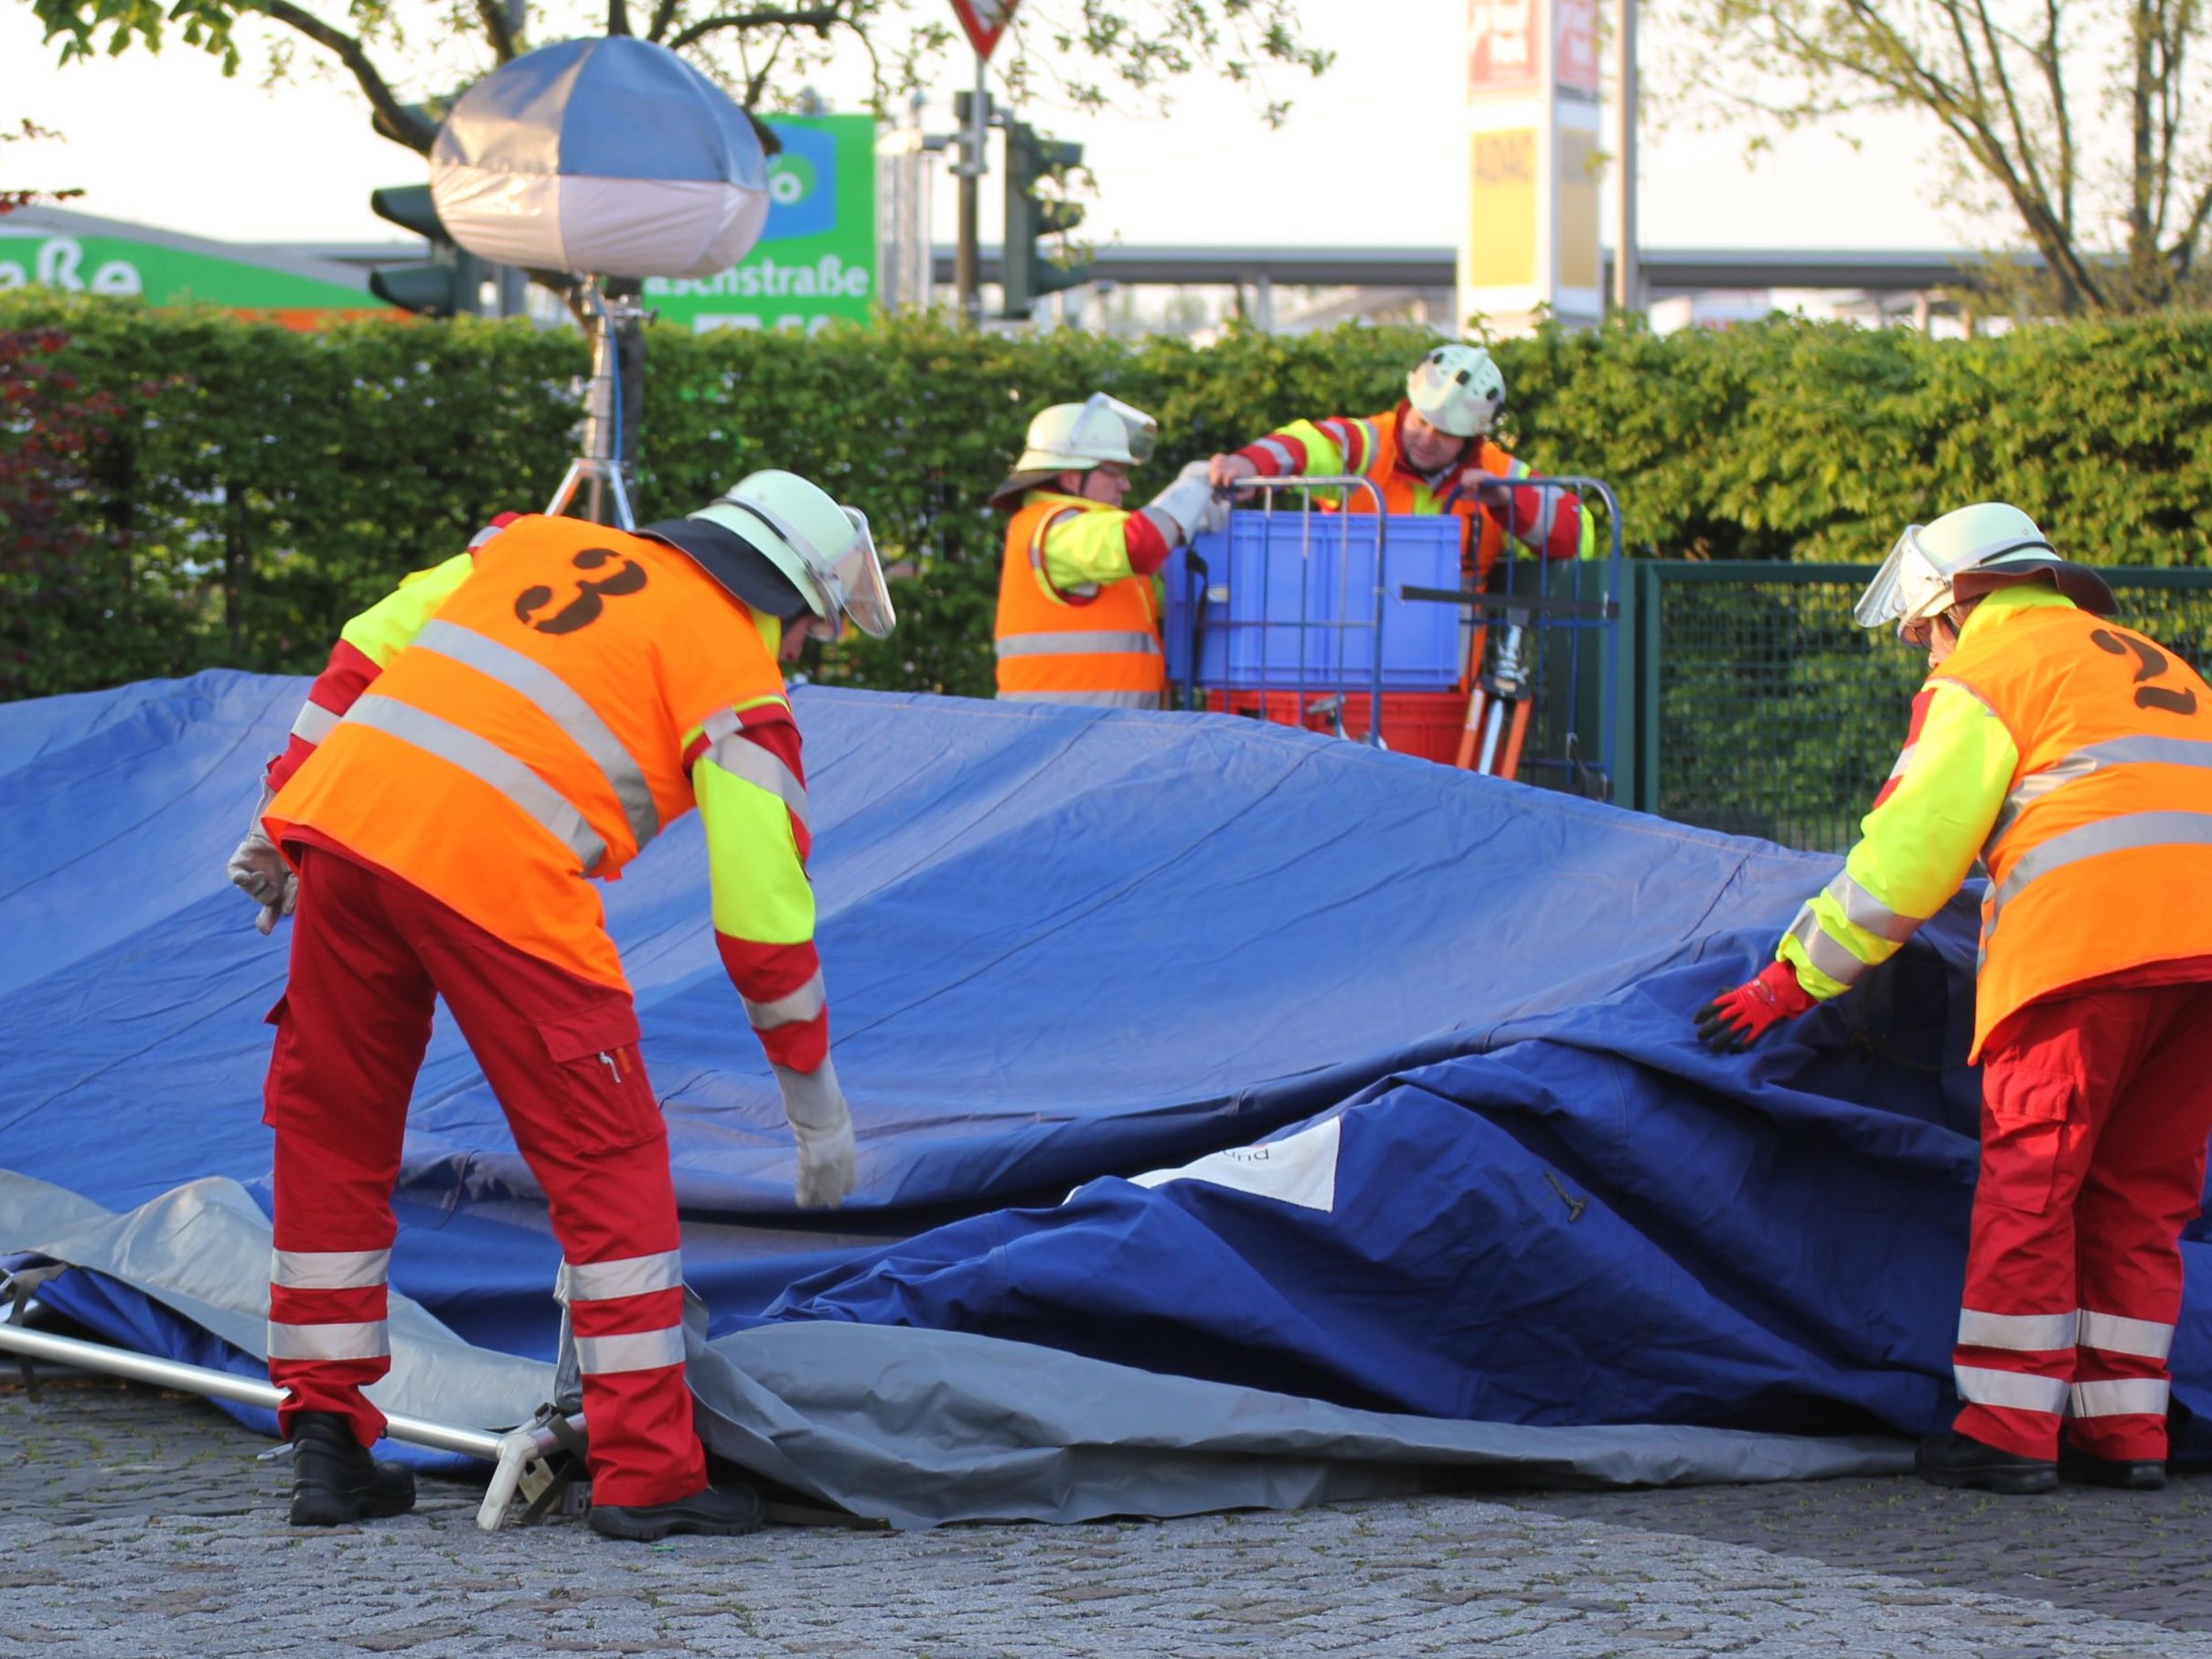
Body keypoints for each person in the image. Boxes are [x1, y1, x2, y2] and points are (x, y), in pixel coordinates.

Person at [224, 471, 894, 1540]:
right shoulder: (736, 677)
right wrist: (815, 1109)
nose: (802, 654)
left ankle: (327, 1441)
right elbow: (764, 923)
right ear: (790, 596)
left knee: (333, 1133)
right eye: (811, 630)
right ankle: (647, 1473)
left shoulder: (528, 544)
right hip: (499, 880)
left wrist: (285, 804)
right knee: (608, 1159)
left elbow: (363, 645)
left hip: (347, 834)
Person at [1693, 502, 2212, 1496]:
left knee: (2036, 1175)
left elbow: (1906, 859)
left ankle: (2011, 1427)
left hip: (2086, 949)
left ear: (1955, 601)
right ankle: (2125, 1425)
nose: (1920, 652)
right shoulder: (2150, 660)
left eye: (1921, 629)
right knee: (2142, 1192)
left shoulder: (1986, 673)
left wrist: (1789, 978)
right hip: (2200, 968)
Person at [1206, 344, 1593, 593]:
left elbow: (1579, 537)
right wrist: (1249, 462)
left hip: (1449, 682)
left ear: (1472, 436)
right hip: (1347, 662)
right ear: (1408, 405)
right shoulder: (1366, 443)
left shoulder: (1498, 471)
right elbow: (1305, 443)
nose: (1427, 437)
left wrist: (1507, 501)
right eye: (1421, 421)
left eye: (1445, 432)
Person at [990, 392, 1225, 708]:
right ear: (1073, 476)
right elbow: (1140, 545)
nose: (1125, 485)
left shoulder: (1069, 527)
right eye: (1114, 472)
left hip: (1082, 733)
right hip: (1066, 736)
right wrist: (1193, 489)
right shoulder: (1059, 528)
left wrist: (1188, 519)